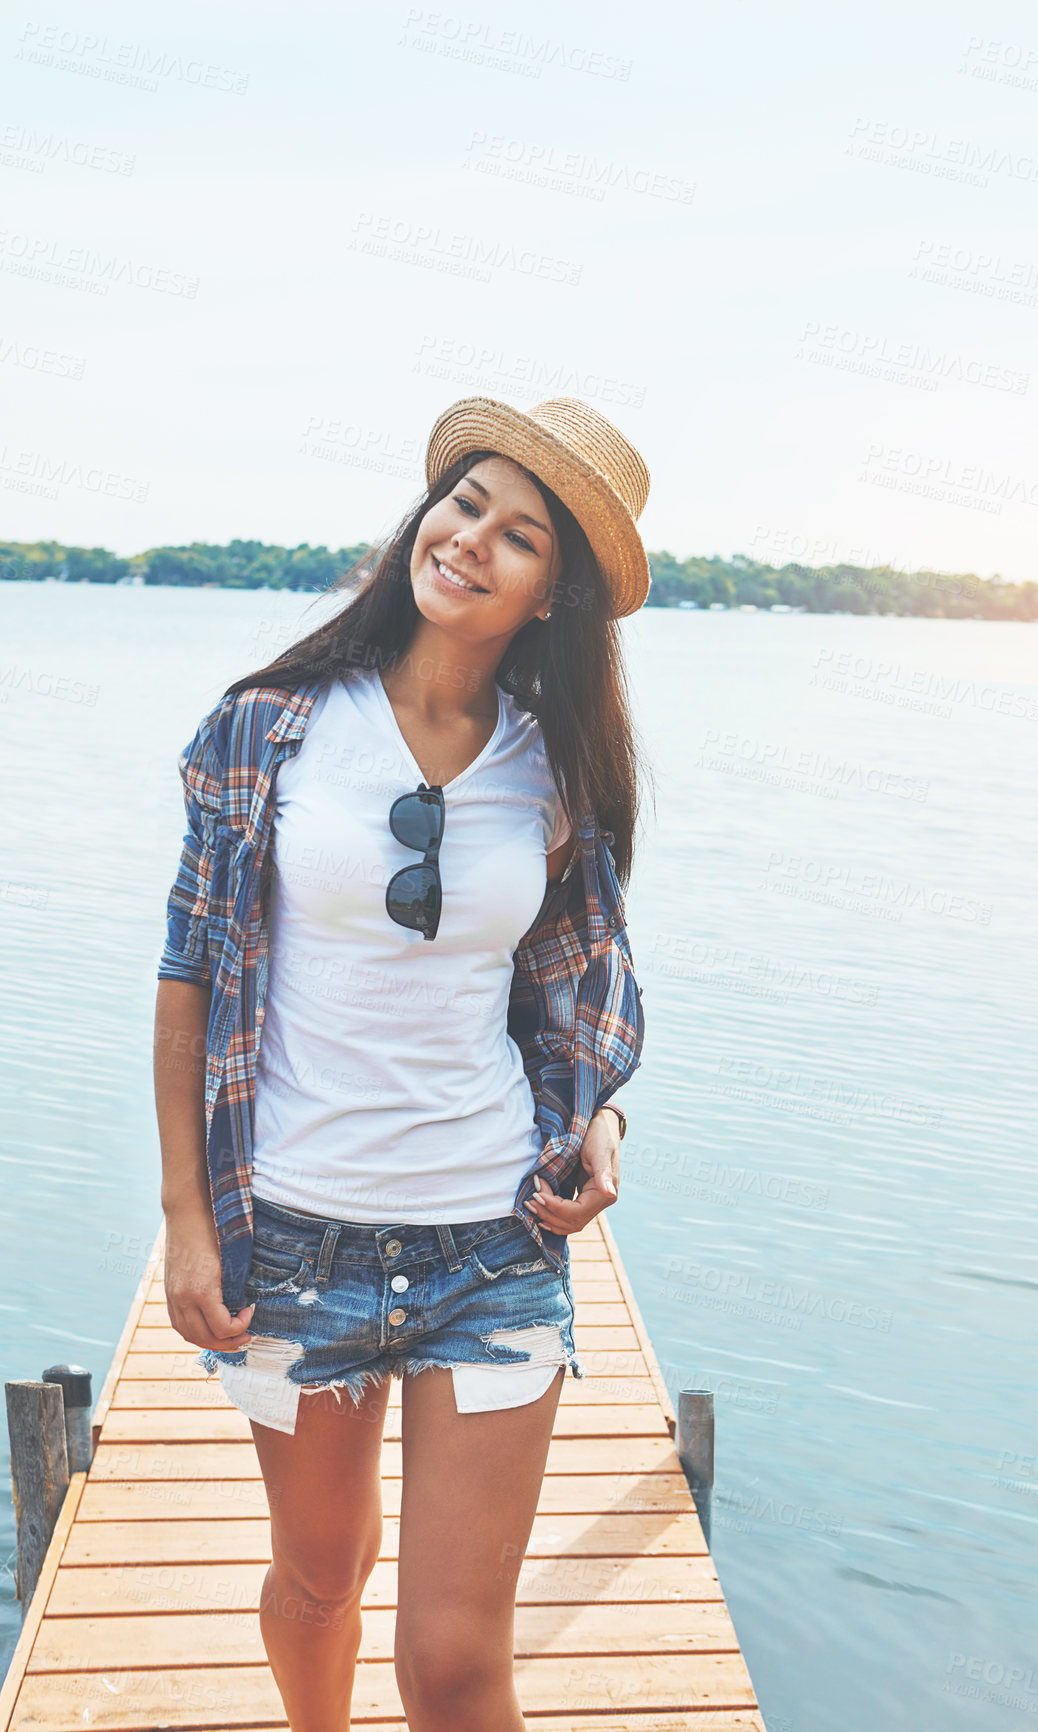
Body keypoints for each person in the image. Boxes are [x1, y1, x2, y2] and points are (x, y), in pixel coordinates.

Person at [153, 395, 651, 1732]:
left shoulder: (556, 775)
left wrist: (594, 1122)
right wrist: (186, 1222)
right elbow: (189, 973)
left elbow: (570, 1001)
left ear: (556, 594)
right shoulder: (270, 726)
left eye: (523, 536)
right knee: (320, 1582)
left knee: (452, 1662)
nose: (474, 540)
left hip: (486, 1239)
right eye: (468, 502)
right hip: (294, 1235)